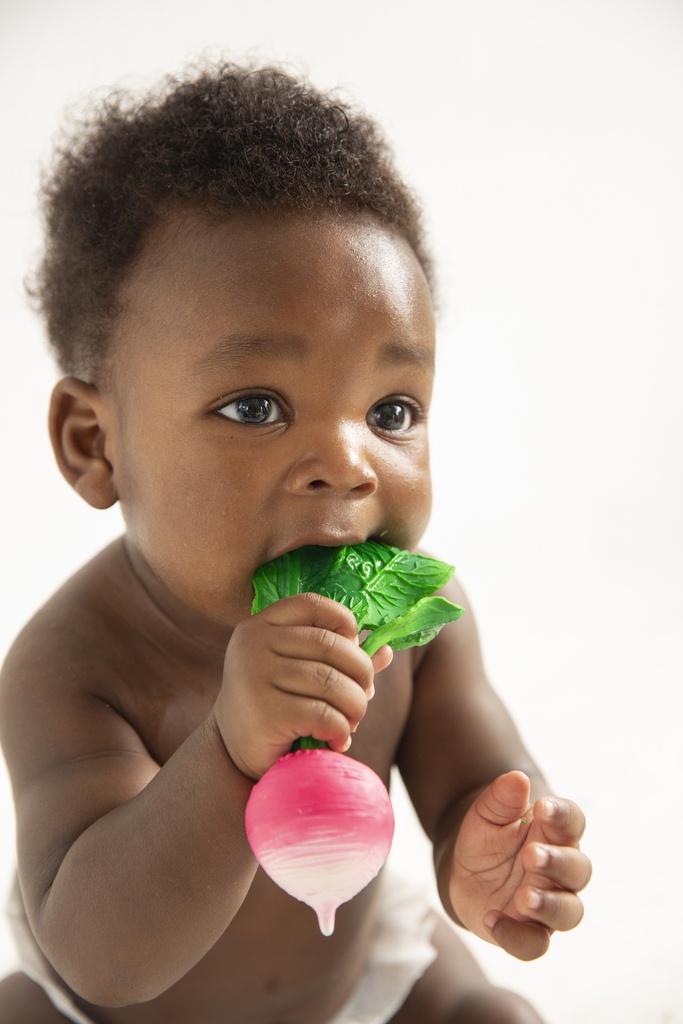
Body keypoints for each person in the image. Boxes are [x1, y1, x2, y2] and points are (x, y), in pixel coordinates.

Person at [0, 61, 591, 1024]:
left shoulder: (411, 621)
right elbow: (102, 956)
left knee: (496, 1018)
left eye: (391, 409)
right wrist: (231, 748)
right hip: (109, 1014)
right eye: (255, 405)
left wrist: (500, 852)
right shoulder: (74, 664)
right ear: (94, 444)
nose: (346, 463)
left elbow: (476, 781)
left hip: (355, 980)